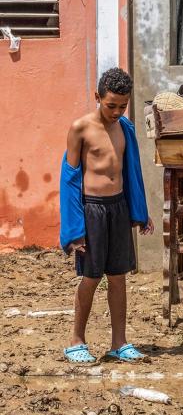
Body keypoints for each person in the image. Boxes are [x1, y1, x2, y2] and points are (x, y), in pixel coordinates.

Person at [60, 67, 154, 364]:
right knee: (91, 276)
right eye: (110, 105)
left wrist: (139, 211)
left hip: (118, 208)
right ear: (97, 96)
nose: (116, 111)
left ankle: (119, 343)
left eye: (122, 106)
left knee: (118, 277)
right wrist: (74, 230)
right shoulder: (80, 128)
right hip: (92, 211)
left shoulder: (125, 127)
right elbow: (69, 179)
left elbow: (131, 172)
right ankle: (77, 341)